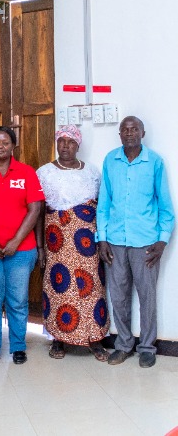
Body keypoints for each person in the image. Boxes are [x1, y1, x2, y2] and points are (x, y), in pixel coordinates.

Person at [97, 116, 172, 368]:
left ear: (142, 133)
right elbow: (104, 204)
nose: (129, 133)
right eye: (125, 129)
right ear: (119, 134)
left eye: (134, 129)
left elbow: (165, 206)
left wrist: (162, 240)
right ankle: (123, 345)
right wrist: (102, 239)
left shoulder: (155, 162)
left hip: (146, 243)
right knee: (118, 296)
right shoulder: (110, 160)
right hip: (115, 242)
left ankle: (147, 347)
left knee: (147, 296)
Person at [36, 125, 109, 361]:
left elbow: (101, 207)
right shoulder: (44, 173)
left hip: (87, 242)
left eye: (71, 142)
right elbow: (38, 212)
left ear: (78, 145)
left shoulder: (92, 172)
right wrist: (40, 247)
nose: (65, 146)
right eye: (61, 141)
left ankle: (95, 338)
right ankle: (58, 339)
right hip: (57, 240)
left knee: (91, 287)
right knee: (59, 286)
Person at [0, 126, 44, 367]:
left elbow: (35, 209)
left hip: (21, 250)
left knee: (18, 301)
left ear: (13, 146)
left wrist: (16, 241)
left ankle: (18, 346)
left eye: (5, 142)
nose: (1, 146)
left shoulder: (26, 172)